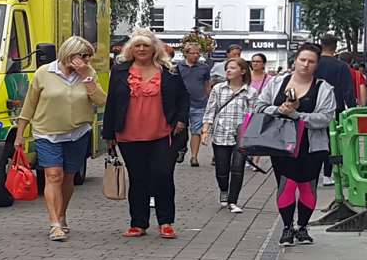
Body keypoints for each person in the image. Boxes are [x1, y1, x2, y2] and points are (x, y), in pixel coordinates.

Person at [16, 36, 107, 241]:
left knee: (68, 177)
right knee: (53, 175)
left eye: (89, 57)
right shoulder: (44, 73)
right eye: (83, 56)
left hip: (77, 132)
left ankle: (62, 214)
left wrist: (86, 76)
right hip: (47, 132)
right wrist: (20, 134)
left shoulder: (88, 73)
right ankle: (54, 223)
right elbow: (29, 104)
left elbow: (101, 100)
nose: (87, 61)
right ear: (70, 54)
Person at [103, 30, 190, 238]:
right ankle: (138, 223)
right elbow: (112, 102)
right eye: (137, 46)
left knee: (163, 175)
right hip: (129, 134)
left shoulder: (169, 71)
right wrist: (108, 134)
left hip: (162, 132)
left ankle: (166, 222)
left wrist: (181, 120)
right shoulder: (120, 70)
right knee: (138, 178)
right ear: (131, 49)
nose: (141, 49)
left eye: (146, 46)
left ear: (154, 49)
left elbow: (183, 98)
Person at [262, 43, 340, 246]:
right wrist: (279, 109)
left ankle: (303, 227)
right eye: (302, 60)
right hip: (281, 144)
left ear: (316, 65)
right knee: (286, 185)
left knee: (307, 186)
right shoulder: (276, 83)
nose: (305, 64)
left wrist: (297, 115)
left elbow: (325, 117)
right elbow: (259, 106)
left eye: (311, 61)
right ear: (295, 60)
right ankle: (287, 227)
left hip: (311, 146)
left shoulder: (323, 88)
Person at [205, 56, 258, 214]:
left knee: (237, 168)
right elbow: (210, 110)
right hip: (221, 133)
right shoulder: (218, 89)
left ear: (242, 71)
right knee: (222, 169)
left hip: (241, 136)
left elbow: (253, 114)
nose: (228, 70)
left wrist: (251, 135)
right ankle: (224, 190)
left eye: (233, 68)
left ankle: (233, 200)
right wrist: (205, 130)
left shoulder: (251, 92)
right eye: (227, 68)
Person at [313, 34, 358, 184]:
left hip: (313, 107)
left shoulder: (313, 63)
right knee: (333, 142)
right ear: (335, 47)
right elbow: (348, 90)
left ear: (321, 44)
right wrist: (352, 109)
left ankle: (311, 174)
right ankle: (327, 174)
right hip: (335, 108)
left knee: (313, 140)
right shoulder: (342, 66)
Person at [176, 38, 213, 168]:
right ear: (186, 53)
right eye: (193, 53)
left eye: (198, 53)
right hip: (181, 104)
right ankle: (181, 149)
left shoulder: (204, 68)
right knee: (180, 130)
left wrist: (209, 101)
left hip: (200, 103)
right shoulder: (178, 67)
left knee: (196, 131)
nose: (196, 55)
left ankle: (194, 157)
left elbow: (207, 86)